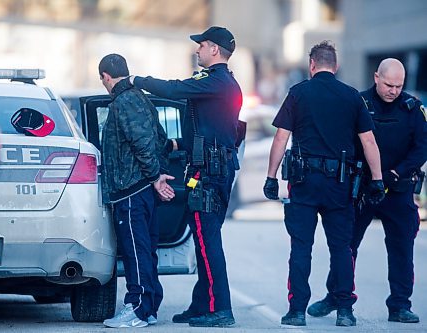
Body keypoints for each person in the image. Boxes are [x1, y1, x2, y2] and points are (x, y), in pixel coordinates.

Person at [263, 41, 385, 327]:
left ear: (312, 65)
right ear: (336, 66)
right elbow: (368, 141)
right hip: (339, 186)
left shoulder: (299, 93)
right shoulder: (352, 96)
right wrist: (377, 180)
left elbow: (281, 137)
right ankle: (345, 311)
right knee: (341, 248)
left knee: (301, 247)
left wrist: (270, 177)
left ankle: (296, 312)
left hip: (304, 183)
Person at [128, 26, 242, 327]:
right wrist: (176, 145)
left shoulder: (215, 81)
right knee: (204, 238)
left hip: (209, 173)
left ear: (214, 49)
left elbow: (174, 89)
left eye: (201, 45)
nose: (197, 50)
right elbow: (211, 130)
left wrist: (137, 80)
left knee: (208, 242)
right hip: (208, 170)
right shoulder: (220, 84)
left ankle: (221, 309)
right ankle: (203, 304)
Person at [308, 58, 427, 324]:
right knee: (346, 245)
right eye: (388, 84)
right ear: (376, 77)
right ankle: (336, 296)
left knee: (401, 249)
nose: (393, 90)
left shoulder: (413, 108)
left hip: (399, 188)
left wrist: (397, 173)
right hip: (362, 188)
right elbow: (345, 142)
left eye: (398, 85)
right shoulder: (357, 103)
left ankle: (399, 305)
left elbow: (422, 147)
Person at [98, 53, 175, 328]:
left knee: (135, 250)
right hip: (142, 189)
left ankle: (138, 308)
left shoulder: (123, 101)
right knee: (145, 249)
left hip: (130, 191)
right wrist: (157, 175)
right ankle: (149, 307)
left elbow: (142, 142)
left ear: (106, 77)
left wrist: (156, 177)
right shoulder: (141, 98)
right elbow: (160, 138)